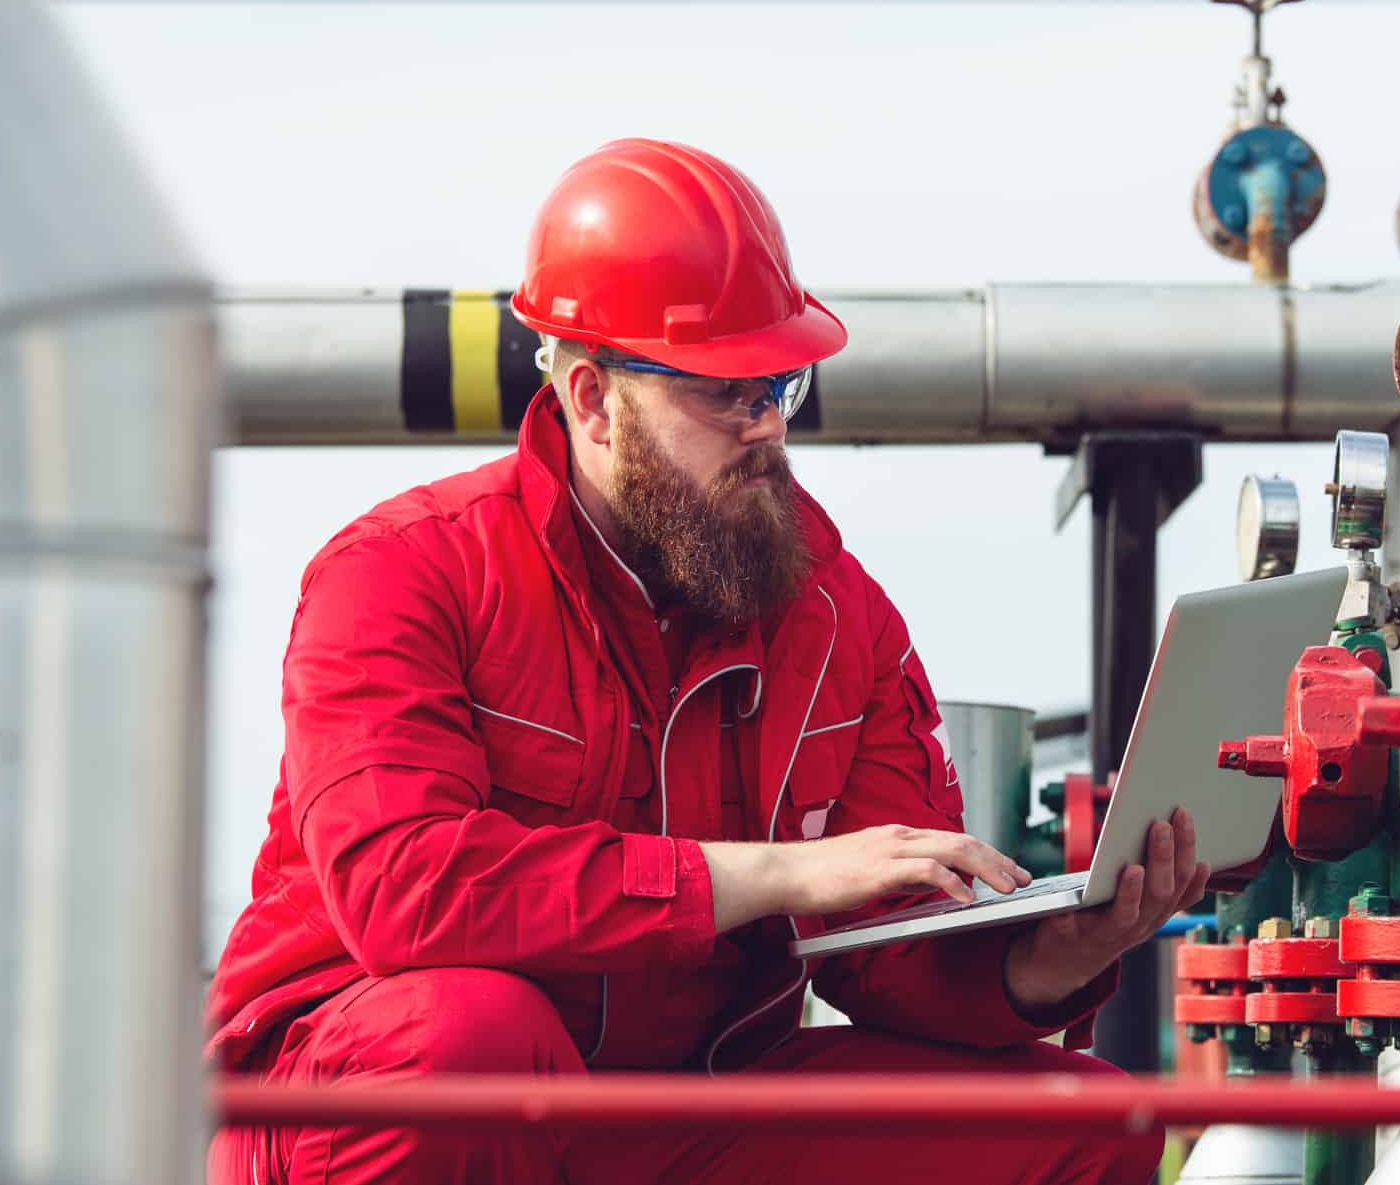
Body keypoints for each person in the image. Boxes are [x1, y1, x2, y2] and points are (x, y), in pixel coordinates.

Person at [205, 138, 1209, 1185]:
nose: (767, 425)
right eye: (725, 390)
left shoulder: (835, 610)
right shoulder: (401, 571)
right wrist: (777, 870)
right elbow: (403, 890)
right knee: (468, 1045)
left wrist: (1048, 963)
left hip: (684, 1103)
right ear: (592, 399)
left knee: (1093, 1120)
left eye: (784, 381)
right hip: (363, 1094)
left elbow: (888, 947)